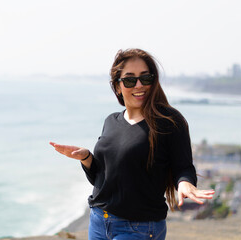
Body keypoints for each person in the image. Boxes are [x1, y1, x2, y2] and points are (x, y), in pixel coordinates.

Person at [50, 48, 215, 240]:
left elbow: (183, 167)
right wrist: (86, 158)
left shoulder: (169, 121)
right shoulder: (111, 121)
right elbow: (101, 180)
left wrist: (185, 183)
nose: (139, 85)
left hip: (139, 227)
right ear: (118, 87)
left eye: (145, 78)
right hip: (98, 221)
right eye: (130, 80)